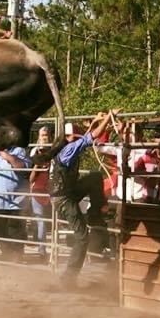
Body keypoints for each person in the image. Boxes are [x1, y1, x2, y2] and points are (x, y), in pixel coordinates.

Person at [50, 112, 117, 286]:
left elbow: (85, 138)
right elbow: (89, 138)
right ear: (70, 137)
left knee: (95, 177)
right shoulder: (69, 150)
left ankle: (96, 211)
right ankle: (68, 278)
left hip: (66, 193)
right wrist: (108, 117)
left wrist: (95, 122)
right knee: (82, 237)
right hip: (65, 198)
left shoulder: (63, 149)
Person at [0, 147, 31, 262]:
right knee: (0, 230)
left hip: (15, 200)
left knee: (16, 229)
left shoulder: (19, 151)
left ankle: (17, 254)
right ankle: (6, 254)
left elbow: (21, 167)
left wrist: (7, 156)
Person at [29, 126, 53, 259]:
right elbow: (31, 176)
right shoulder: (35, 151)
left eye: (46, 135)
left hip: (52, 189)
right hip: (38, 189)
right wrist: (38, 163)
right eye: (42, 135)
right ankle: (42, 249)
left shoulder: (54, 150)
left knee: (53, 220)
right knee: (40, 220)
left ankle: (50, 247)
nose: (44, 137)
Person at [134, 132, 160, 205]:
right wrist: (147, 176)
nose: (159, 148)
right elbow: (135, 170)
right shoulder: (147, 156)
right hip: (148, 198)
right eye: (157, 145)